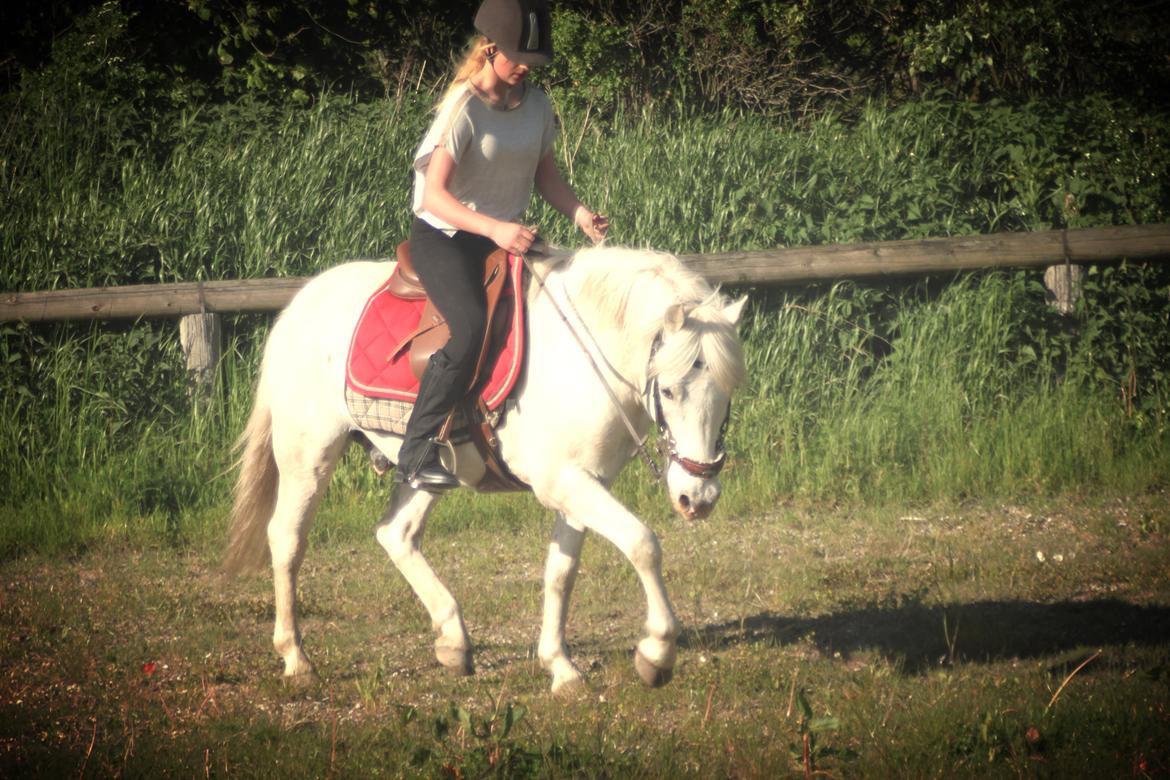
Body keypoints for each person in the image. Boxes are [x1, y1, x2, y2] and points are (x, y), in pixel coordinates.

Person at [396, 0, 609, 490]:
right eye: (517, 58)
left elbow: (545, 176)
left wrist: (579, 214)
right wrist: (494, 229)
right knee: (468, 329)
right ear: (489, 49)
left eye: (532, 62)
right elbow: (433, 197)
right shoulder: (463, 107)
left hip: (505, 236)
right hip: (446, 237)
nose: (525, 70)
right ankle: (414, 451)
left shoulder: (537, 105)